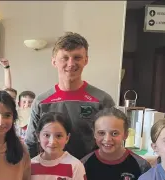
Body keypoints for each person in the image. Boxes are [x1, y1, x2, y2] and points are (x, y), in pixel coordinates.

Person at [25, 32, 115, 160]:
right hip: (50, 173)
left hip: (90, 172)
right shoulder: (41, 102)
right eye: (65, 58)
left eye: (77, 57)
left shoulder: (102, 100)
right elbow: (31, 144)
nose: (71, 63)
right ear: (54, 61)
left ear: (86, 60)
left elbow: (112, 143)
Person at [81, 108, 151, 180]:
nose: (107, 139)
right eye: (101, 133)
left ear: (125, 135)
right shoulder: (82, 165)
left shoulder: (142, 167)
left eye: (114, 133)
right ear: (94, 134)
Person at [29, 112, 90, 180]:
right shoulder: (30, 165)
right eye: (46, 135)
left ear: (67, 138)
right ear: (38, 136)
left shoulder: (75, 166)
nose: (52, 141)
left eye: (58, 136)